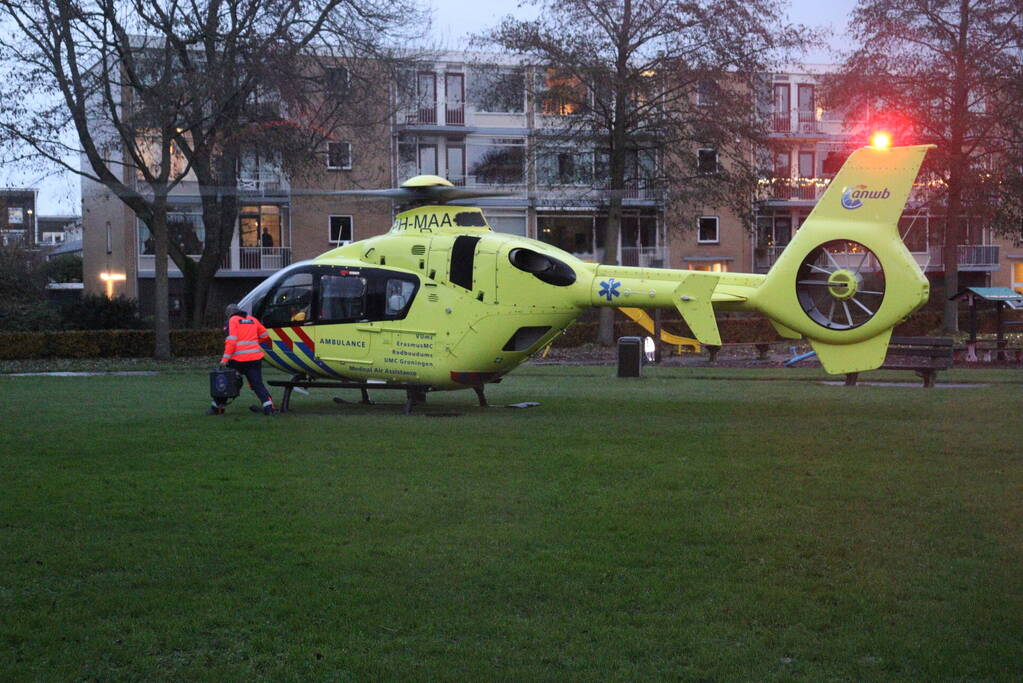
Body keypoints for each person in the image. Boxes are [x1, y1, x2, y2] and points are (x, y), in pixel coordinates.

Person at [207, 303, 278, 416]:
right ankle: (269, 408)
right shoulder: (252, 319)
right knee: (257, 384)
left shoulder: (232, 321)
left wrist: (225, 359)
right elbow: (265, 335)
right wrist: (254, 343)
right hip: (254, 358)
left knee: (227, 383)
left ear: (229, 313)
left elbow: (231, 342)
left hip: (237, 360)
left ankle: (217, 408)